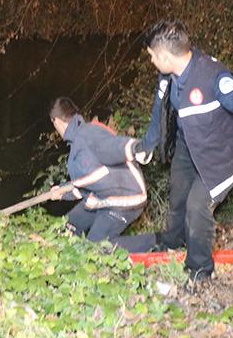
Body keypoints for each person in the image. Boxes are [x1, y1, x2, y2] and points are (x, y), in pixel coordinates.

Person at [138, 20, 233, 281]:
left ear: (164, 55)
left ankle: (199, 270)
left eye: (152, 56)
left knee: (197, 206)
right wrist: (148, 144)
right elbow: (159, 112)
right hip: (190, 144)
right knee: (178, 194)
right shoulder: (168, 76)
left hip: (223, 153)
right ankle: (172, 243)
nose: (151, 60)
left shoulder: (214, 79)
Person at [49, 97, 156, 253]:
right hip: (101, 195)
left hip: (125, 199)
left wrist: (136, 148)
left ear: (57, 122)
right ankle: (68, 258)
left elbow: (111, 147)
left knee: (95, 249)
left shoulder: (87, 135)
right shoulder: (80, 139)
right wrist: (62, 191)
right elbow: (86, 183)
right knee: (68, 227)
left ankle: (158, 242)